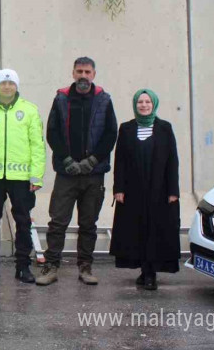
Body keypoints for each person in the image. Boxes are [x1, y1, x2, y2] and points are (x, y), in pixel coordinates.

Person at [37, 57, 117, 286]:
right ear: (73, 73)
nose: (83, 75)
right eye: (79, 71)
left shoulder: (104, 100)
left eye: (87, 72)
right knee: (58, 222)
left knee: (88, 223)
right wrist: (67, 160)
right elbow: (52, 132)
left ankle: (85, 267)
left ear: (94, 74)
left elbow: (111, 134)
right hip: (66, 174)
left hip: (94, 174)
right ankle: (51, 267)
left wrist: (91, 160)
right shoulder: (61, 99)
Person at [0, 69, 45, 283]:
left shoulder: (30, 110)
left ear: (16, 86)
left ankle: (23, 267)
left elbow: (37, 145)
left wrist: (36, 176)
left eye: (11, 83)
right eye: (3, 83)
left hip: (22, 178)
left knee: (23, 222)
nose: (7, 87)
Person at [110, 89, 180, 290]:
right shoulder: (126, 129)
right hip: (133, 191)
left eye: (147, 101)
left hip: (159, 190)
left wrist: (173, 191)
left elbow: (172, 161)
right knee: (136, 231)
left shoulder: (165, 128)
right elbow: (120, 161)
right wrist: (119, 189)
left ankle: (151, 274)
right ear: (135, 105)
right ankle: (143, 270)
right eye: (140, 102)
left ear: (154, 104)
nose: (143, 105)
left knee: (155, 230)